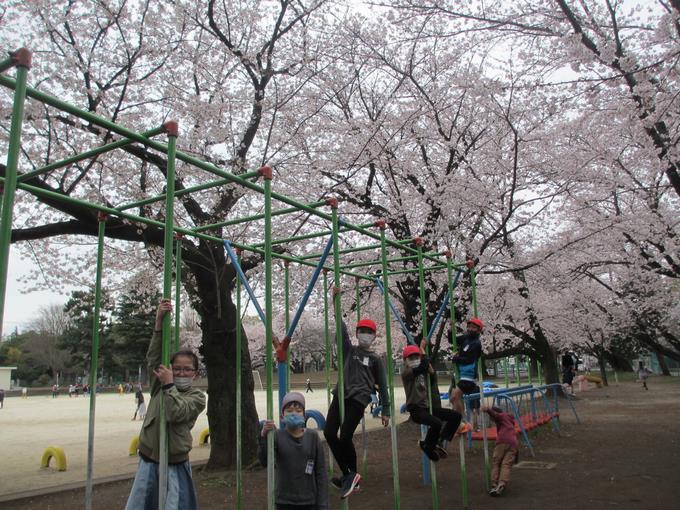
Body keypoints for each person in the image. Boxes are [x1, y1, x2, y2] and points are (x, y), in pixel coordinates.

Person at [125, 299, 206, 510]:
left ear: (195, 374)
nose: (181, 373)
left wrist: (169, 384)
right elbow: (153, 358)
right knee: (142, 503)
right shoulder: (158, 386)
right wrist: (159, 323)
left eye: (187, 369)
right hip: (149, 457)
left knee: (175, 505)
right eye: (176, 368)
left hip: (175, 461)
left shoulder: (196, 396)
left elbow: (176, 412)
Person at [324, 289, 390, 500]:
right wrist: (336, 302)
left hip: (359, 398)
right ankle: (349, 476)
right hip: (340, 393)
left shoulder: (376, 359)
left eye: (368, 332)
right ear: (356, 333)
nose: (365, 334)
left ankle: (351, 475)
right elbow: (341, 329)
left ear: (374, 336)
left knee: (345, 436)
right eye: (361, 330)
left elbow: (384, 385)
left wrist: (386, 409)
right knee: (328, 432)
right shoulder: (349, 350)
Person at [259, 391, 328, 510]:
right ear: (282, 416)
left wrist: (323, 505)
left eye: (298, 411)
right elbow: (265, 461)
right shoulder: (277, 436)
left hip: (309, 501)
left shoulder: (313, 437)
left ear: (304, 415)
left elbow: (321, 472)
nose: (294, 414)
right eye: (289, 411)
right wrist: (264, 437)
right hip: (284, 501)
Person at [401, 339, 464, 462]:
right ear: (405, 361)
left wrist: (427, 364)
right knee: (436, 423)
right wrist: (422, 348)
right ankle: (427, 446)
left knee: (455, 416)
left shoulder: (421, 373)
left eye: (416, 357)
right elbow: (424, 366)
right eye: (411, 358)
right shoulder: (406, 373)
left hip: (426, 408)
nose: (414, 360)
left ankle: (440, 440)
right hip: (416, 410)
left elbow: (432, 375)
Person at [449, 318, 484, 427]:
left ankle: (462, 421)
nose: (470, 329)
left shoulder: (476, 343)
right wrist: (451, 327)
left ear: (478, 330)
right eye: (469, 327)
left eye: (473, 327)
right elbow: (452, 340)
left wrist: (456, 359)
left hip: (469, 376)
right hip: (462, 374)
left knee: (454, 397)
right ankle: (462, 420)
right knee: (454, 398)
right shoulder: (466, 338)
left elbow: (469, 359)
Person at [482, 405, 519, 497]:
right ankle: (502, 483)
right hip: (513, 442)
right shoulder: (509, 420)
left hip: (502, 441)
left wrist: (487, 410)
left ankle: (494, 483)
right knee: (506, 464)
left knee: (496, 462)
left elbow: (495, 415)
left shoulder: (501, 416)